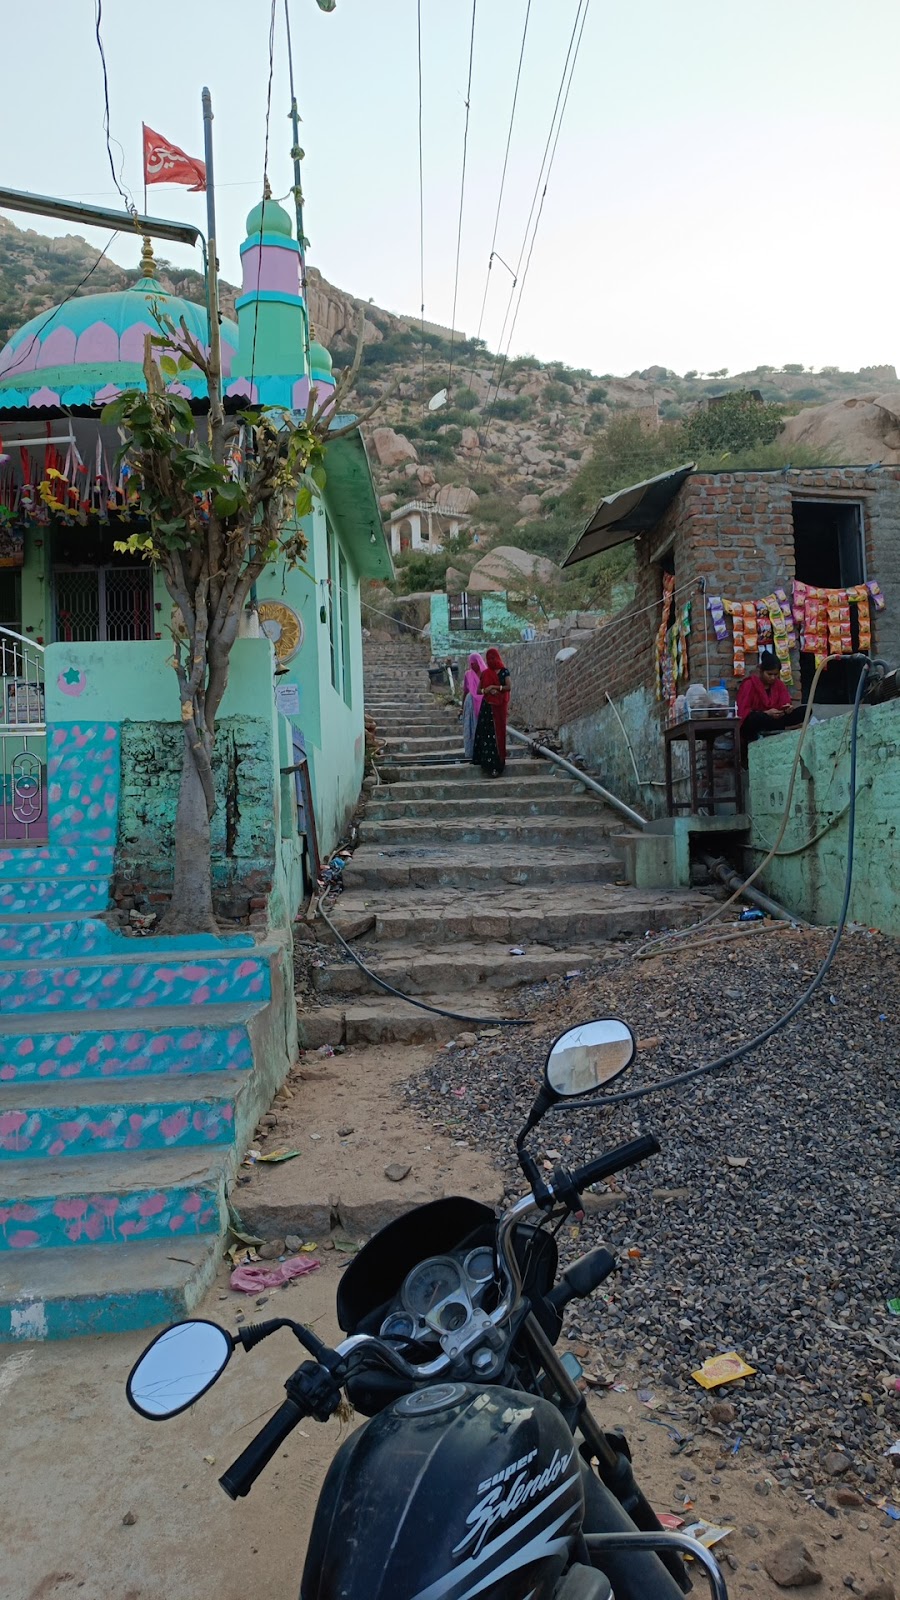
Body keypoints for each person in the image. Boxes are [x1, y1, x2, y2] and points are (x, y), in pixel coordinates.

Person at [736, 649, 805, 756]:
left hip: (775, 720)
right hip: (756, 723)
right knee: (756, 718)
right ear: (761, 671)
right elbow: (743, 712)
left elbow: (784, 703)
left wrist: (787, 709)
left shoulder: (779, 685)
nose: (773, 678)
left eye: (776, 674)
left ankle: (779, 725)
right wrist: (766, 713)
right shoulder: (749, 684)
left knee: (805, 711)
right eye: (769, 674)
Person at [472, 647, 511, 777]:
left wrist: (495, 687)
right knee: (486, 733)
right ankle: (487, 763)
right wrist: (487, 691)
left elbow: (508, 687)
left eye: (493, 658)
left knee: (498, 732)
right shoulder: (485, 673)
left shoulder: (504, 672)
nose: (491, 661)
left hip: (499, 707)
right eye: (489, 659)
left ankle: (499, 764)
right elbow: (478, 691)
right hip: (487, 707)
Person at [461, 651, 487, 761]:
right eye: (470, 663)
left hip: (483, 704)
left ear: (478, 662)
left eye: (474, 663)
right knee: (470, 729)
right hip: (470, 704)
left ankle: (483, 752)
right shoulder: (468, 674)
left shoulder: (486, 673)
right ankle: (471, 752)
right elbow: (465, 691)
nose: (472, 665)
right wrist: (462, 707)